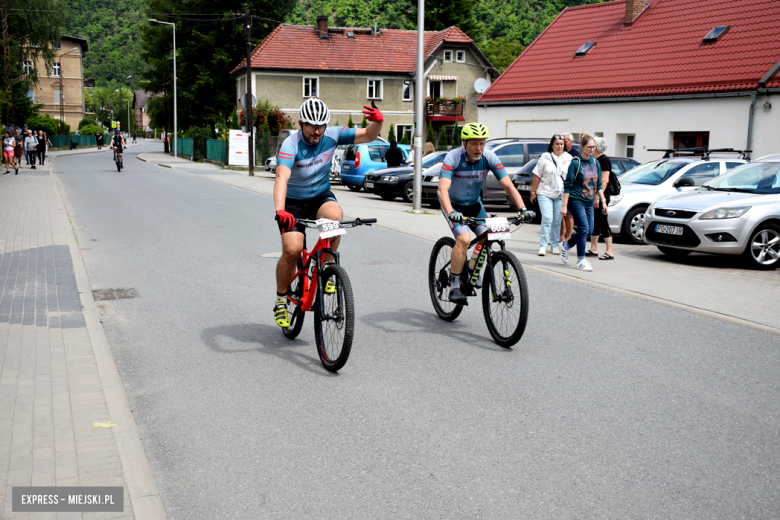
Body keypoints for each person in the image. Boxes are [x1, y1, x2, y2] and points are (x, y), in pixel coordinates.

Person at [273, 98, 384, 328]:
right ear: (301, 123)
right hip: (293, 202)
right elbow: (281, 177)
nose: (317, 131)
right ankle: (282, 299)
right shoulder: (291, 144)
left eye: (321, 126)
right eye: (312, 126)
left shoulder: (332, 134)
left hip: (321, 196)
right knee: (293, 249)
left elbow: (368, 135)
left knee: (334, 217)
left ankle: (326, 267)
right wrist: (280, 210)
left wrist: (378, 123)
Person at [437, 122, 535, 304]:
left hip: (474, 204)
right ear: (464, 143)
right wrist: (451, 212)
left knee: (488, 236)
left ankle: (472, 267)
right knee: (464, 239)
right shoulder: (453, 157)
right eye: (474, 143)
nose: (479, 148)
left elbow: (508, 185)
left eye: (482, 143)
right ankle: (455, 284)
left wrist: (523, 209)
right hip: (453, 206)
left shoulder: (489, 157)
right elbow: (442, 190)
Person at [559, 135, 607, 272]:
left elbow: (598, 184)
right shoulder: (576, 162)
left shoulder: (595, 162)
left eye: (593, 147)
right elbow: (568, 184)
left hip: (589, 201)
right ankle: (581, 260)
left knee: (589, 230)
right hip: (576, 200)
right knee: (584, 229)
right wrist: (564, 205)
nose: (592, 149)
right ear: (582, 147)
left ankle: (566, 246)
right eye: (589, 147)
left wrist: (602, 200)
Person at [530, 134, 572, 255]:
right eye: (557, 144)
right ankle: (543, 245)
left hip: (561, 193)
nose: (559, 146)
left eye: (561, 144)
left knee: (557, 220)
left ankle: (554, 245)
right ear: (552, 145)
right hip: (545, 191)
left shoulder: (569, 159)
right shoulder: (545, 157)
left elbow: (571, 178)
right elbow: (537, 175)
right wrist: (533, 191)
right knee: (547, 218)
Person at [588, 137, 615, 260]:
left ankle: (610, 251)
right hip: (594, 195)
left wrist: (599, 197)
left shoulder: (604, 160)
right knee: (594, 223)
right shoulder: (594, 159)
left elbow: (604, 180)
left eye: (593, 146)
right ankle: (594, 248)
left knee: (603, 222)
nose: (591, 148)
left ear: (597, 147)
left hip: (602, 196)